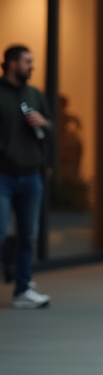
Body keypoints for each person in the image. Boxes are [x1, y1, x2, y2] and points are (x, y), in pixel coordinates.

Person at [0, 45, 53, 309]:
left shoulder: (35, 94)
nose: (32, 66)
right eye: (27, 61)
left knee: (27, 235)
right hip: (3, 176)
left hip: (31, 175)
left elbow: (51, 127)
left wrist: (43, 123)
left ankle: (23, 289)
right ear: (11, 63)